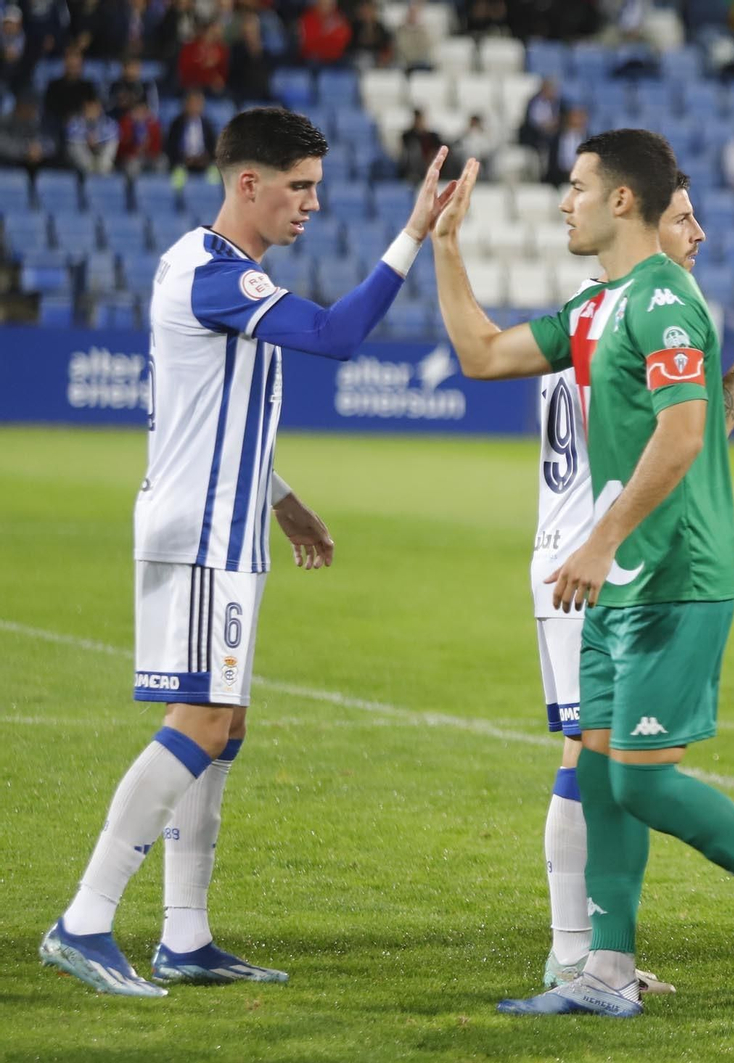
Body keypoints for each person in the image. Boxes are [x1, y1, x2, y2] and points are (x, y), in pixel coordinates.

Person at [430, 129, 734, 1018]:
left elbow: (686, 433)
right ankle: (606, 970)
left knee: (645, 777)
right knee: (601, 768)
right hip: (621, 576)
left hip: (674, 572)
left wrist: (595, 539)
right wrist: (445, 245)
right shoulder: (599, 306)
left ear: (621, 199)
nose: (563, 201)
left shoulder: (667, 301)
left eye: (576, 186)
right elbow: (483, 354)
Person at [39, 110, 455, 997]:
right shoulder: (209, 273)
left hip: (230, 527)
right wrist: (415, 232)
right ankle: (84, 918)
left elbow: (218, 419)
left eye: (315, 185)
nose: (313, 202)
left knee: (225, 728)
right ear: (248, 185)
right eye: (299, 186)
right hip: (198, 536)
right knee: (197, 722)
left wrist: (284, 500)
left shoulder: (233, 276)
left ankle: (185, 936)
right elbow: (338, 336)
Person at [524, 168, 734, 996]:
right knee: (600, 762)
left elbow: (698, 428)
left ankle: (594, 959)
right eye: (685, 216)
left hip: (608, 558)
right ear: (639, 214)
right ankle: (577, 950)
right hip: (601, 558)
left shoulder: (624, 309)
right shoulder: (615, 312)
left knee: (598, 759)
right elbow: (684, 436)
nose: (700, 231)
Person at [43, 48, 99, 134]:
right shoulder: (53, 86)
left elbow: (93, 109)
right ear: (65, 63)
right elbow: (49, 111)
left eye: (76, 65)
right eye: (71, 65)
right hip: (58, 128)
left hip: (82, 129)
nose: (73, 67)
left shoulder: (88, 87)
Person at [167, 88, 217, 174]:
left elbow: (213, 147)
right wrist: (183, 158)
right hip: (182, 163)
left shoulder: (207, 124)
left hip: (204, 163)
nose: (194, 107)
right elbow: (170, 147)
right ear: (185, 105)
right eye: (192, 103)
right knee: (178, 173)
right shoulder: (177, 124)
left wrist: (205, 158)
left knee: (214, 173)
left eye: (198, 104)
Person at [66, 97, 120, 174]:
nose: (91, 111)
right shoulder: (75, 121)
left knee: (111, 145)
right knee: (75, 147)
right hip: (83, 154)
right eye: (88, 108)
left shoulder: (108, 121)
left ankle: (103, 168)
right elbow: (72, 137)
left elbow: (113, 136)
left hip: (100, 151)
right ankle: (89, 167)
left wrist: (98, 139)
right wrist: (87, 137)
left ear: (99, 109)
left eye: (94, 108)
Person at [229, 14, 274, 103]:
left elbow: (269, 74)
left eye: (252, 31)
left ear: (258, 32)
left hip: (262, 94)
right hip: (242, 94)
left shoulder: (266, 52)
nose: (249, 35)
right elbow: (235, 75)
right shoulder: (236, 49)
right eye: (246, 32)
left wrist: (257, 52)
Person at [177, 20, 228, 95]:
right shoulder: (189, 48)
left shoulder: (221, 50)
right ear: (203, 32)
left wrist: (218, 79)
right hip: (192, 87)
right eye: (210, 33)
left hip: (212, 89)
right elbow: (184, 71)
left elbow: (223, 73)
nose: (212, 36)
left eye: (215, 34)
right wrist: (203, 66)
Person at [117, 97, 163, 173]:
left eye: (143, 111)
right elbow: (121, 148)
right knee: (133, 165)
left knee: (162, 162)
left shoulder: (154, 125)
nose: (140, 114)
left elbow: (157, 148)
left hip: (149, 157)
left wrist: (148, 146)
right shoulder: (125, 123)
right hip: (130, 158)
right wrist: (133, 143)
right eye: (137, 111)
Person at [298, 0, 351, 67]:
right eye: (324, 3)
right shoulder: (308, 18)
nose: (327, 7)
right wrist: (329, 35)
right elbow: (309, 42)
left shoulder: (339, 19)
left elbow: (343, 40)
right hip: (313, 59)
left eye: (330, 4)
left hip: (336, 58)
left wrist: (324, 36)